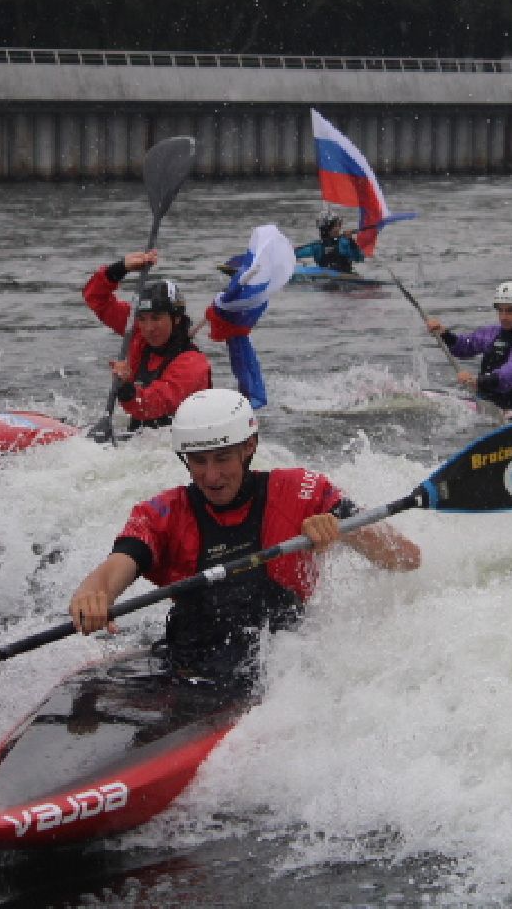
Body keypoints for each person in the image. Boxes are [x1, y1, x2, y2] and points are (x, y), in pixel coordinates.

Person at [67, 389, 420, 682]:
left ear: (249, 446)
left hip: (282, 666)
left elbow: (404, 558)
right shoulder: (164, 513)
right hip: (191, 665)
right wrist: (93, 595)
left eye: (222, 459)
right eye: (198, 461)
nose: (211, 475)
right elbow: (117, 566)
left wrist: (340, 531)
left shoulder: (302, 493)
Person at [82, 250, 212, 430]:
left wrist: (126, 388)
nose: (149, 328)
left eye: (157, 318)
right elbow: (95, 298)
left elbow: (153, 404)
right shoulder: (138, 334)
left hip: (175, 444)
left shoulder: (193, 363)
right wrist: (120, 269)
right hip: (141, 438)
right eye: (142, 318)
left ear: (176, 318)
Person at [425, 282, 512, 413]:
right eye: (500, 310)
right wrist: (444, 334)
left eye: (510, 311)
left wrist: (477, 381)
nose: (503, 317)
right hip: (487, 402)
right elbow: (465, 346)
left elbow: (509, 376)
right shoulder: (493, 333)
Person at [295, 206, 366, 273]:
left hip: (345, 279)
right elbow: (296, 254)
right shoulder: (317, 246)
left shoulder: (344, 243)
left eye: (339, 225)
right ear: (327, 229)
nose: (339, 228)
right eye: (337, 225)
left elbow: (359, 258)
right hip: (324, 279)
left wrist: (351, 241)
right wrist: (289, 251)